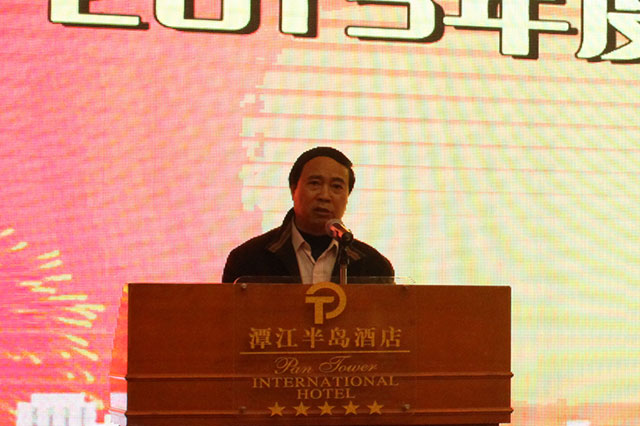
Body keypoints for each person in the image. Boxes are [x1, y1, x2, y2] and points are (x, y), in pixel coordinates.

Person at [222, 146, 394, 284]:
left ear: (347, 196)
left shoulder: (374, 267)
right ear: (293, 189)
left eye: (336, 186)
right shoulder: (248, 260)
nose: (324, 196)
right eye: (315, 183)